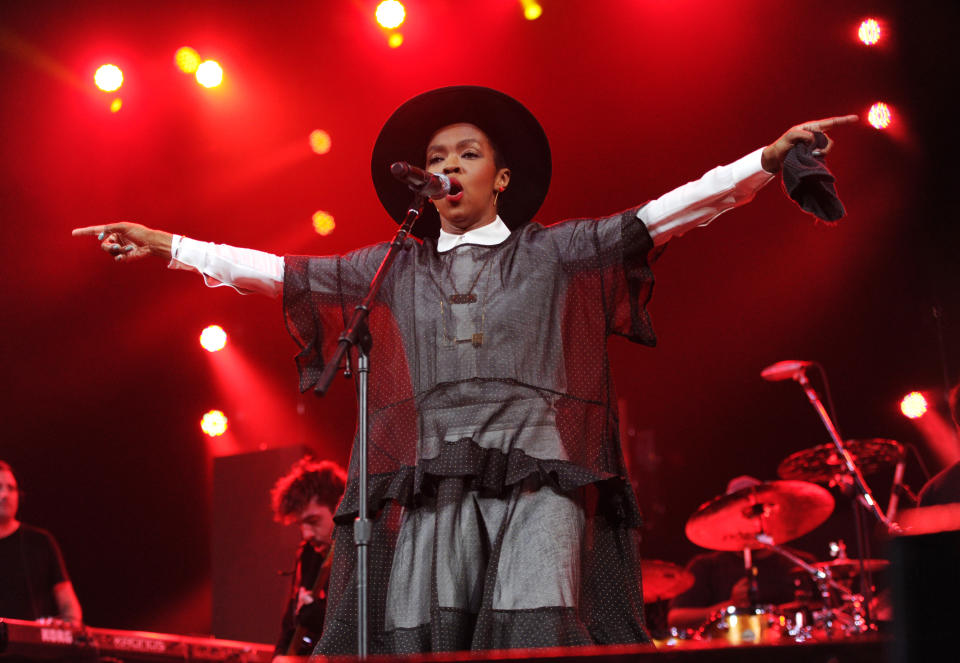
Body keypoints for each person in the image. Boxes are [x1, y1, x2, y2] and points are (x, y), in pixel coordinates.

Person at [72, 86, 856, 653]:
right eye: (437, 157)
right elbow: (279, 271)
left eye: (468, 153)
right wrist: (167, 243)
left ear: (500, 178)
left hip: (539, 471)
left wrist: (763, 159)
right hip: (433, 474)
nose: (449, 165)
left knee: (536, 624)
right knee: (427, 632)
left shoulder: (555, 251)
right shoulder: (391, 269)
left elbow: (666, 213)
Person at [667, 476, 815, 632]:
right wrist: (730, 605)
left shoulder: (802, 564)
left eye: (757, 512)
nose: (752, 520)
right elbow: (676, 619)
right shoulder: (706, 567)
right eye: (744, 514)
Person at [269, 457, 346, 659]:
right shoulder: (308, 553)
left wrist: (318, 618)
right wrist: (280, 655)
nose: (306, 535)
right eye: (300, 525)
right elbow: (290, 623)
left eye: (313, 521)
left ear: (339, 507)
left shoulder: (366, 552)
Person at [0, 460, 83, 624]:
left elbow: (69, 606)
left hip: (29, 649)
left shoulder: (40, 542)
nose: (5, 495)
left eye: (11, 488)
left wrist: (67, 627)